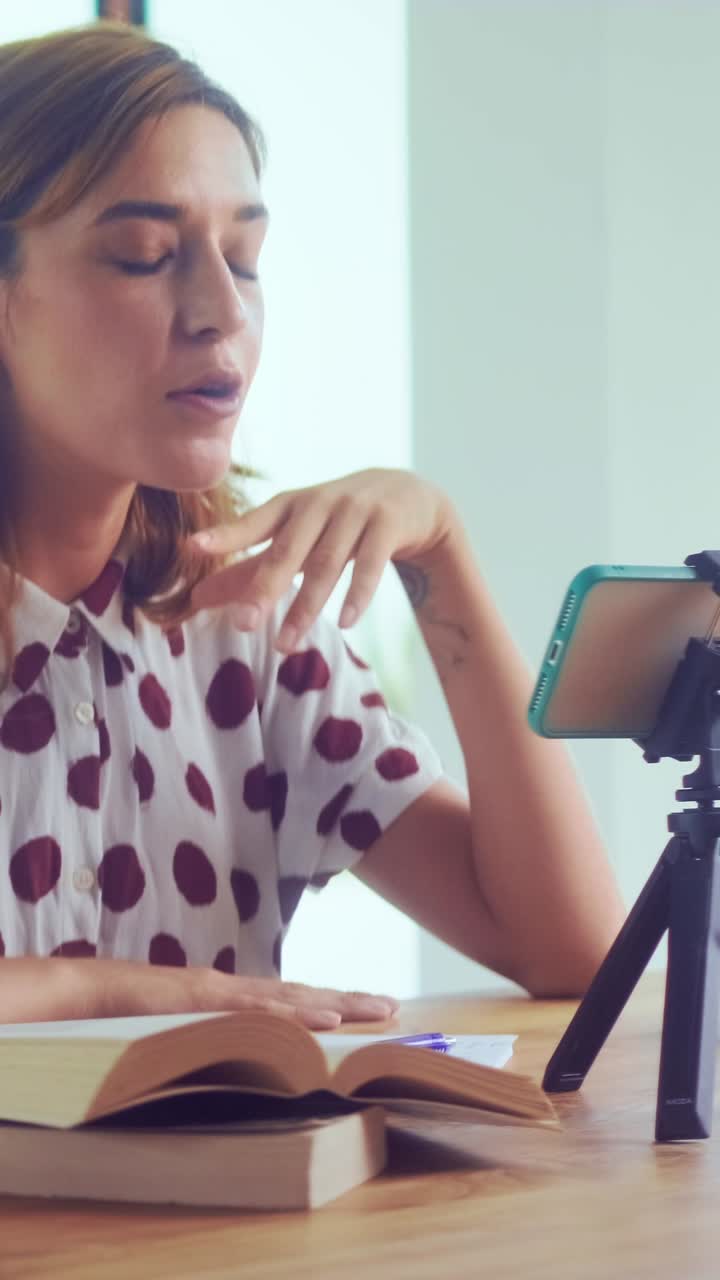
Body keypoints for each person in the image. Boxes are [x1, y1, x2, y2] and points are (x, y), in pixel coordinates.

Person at [0, 21, 624, 1028]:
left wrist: (444, 561)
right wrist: (118, 991)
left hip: (226, 1194)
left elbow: (574, 947)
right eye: (145, 254)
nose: (220, 311)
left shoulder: (242, 636)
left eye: (244, 258)